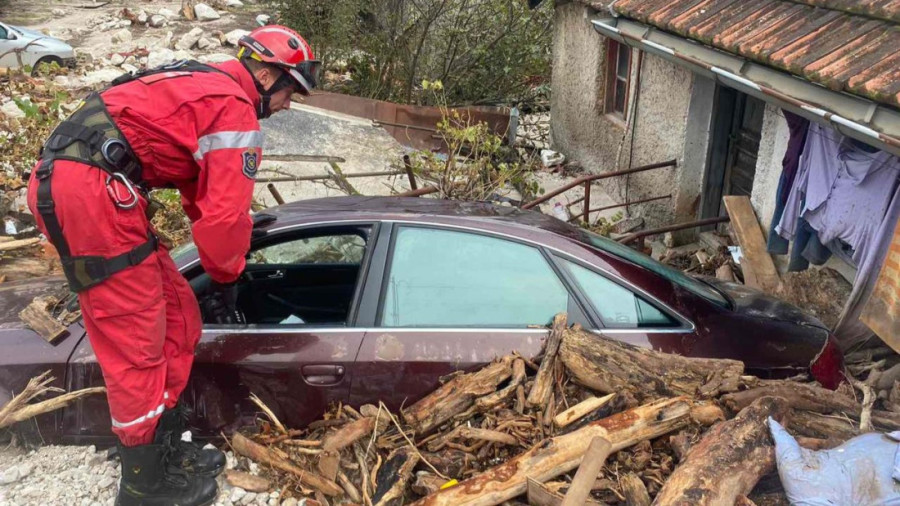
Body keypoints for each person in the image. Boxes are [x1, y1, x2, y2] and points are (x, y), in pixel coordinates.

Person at [26, 25, 320, 506]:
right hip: (91, 193)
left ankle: (166, 447)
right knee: (137, 341)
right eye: (291, 91)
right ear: (266, 74)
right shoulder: (235, 109)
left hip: (94, 185)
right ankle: (143, 484)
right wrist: (228, 273)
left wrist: (219, 262)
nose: (289, 105)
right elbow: (225, 217)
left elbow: (198, 196)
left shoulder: (206, 84)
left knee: (178, 316)